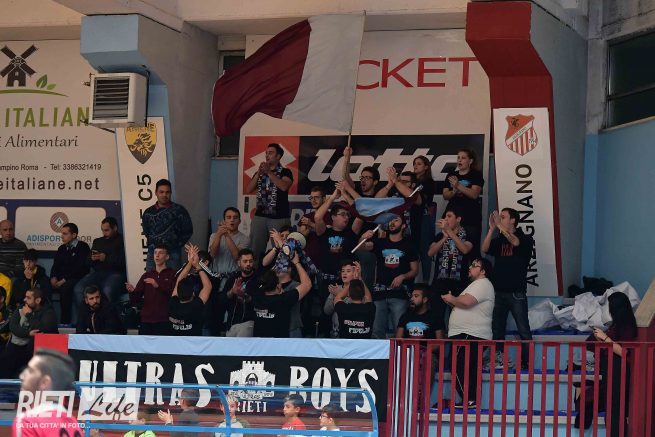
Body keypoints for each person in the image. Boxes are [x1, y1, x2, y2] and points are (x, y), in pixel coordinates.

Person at [482, 208, 534, 370]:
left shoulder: (525, 238)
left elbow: (516, 242)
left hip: (516, 292)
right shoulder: (499, 239)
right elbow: (485, 249)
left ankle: (527, 363)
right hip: (498, 291)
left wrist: (499, 226)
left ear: (513, 220)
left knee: (523, 329)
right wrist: (491, 229)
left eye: (503, 217)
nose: (499, 219)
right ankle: (499, 359)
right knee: (497, 329)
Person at [442, 258, 494, 409]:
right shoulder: (477, 284)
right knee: (468, 368)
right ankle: (471, 399)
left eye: (474, 265)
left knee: (457, 364)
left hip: (469, 333)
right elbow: (464, 303)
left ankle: (468, 399)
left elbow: (466, 302)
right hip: (469, 333)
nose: (470, 267)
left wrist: (452, 298)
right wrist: (453, 301)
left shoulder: (482, 283)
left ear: (483, 271)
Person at [584, 292, 637, 437]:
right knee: (610, 409)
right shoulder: (616, 325)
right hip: (611, 372)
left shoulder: (627, 326)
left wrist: (605, 338)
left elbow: (624, 352)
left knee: (615, 410)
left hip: (618, 373)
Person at [360, 216, 419, 339]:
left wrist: (402, 276)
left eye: (396, 220)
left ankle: (399, 353)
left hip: (399, 294)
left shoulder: (409, 245)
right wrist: (363, 237)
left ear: (403, 226)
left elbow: (415, 270)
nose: (392, 223)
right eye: (391, 220)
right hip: (380, 293)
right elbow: (360, 248)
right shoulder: (380, 242)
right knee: (376, 332)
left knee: (400, 332)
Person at [12, 348, 81, 437]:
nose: (21, 376)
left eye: (30, 371)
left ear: (44, 382)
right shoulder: (74, 424)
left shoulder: (27, 422)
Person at [246, 143, 293, 265]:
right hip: (260, 216)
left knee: (280, 248)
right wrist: (259, 173)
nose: (267, 155)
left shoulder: (286, 172)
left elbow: (284, 186)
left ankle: (281, 273)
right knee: (255, 249)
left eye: (271, 153)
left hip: (279, 217)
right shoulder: (261, 172)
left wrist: (269, 173)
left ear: (278, 156)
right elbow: (249, 189)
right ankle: (255, 272)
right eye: (266, 153)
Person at [74, 217, 127, 320]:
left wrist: (106, 258)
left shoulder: (123, 241)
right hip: (98, 273)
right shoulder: (98, 241)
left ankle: (109, 321)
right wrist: (92, 258)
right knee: (78, 288)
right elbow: (87, 262)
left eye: (107, 230)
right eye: (102, 230)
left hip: (116, 274)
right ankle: (86, 319)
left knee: (107, 290)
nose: (104, 233)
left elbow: (123, 263)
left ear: (115, 228)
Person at [428, 208, 473, 327]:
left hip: (459, 283)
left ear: (458, 219)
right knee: (437, 319)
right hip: (440, 282)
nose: (446, 219)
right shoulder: (440, 235)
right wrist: (444, 237)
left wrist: (449, 232)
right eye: (445, 217)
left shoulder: (468, 235)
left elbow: (464, 249)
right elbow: (430, 253)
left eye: (449, 216)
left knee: (458, 318)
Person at [0, 288, 58, 378]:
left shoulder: (48, 312)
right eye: (25, 297)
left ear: (38, 300)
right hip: (19, 347)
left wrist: (29, 315)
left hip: (39, 350)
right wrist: (28, 333)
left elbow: (42, 329)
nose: (24, 300)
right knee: (6, 357)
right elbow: (13, 326)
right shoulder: (22, 308)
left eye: (28, 298)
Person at [252, 251, 312, 338]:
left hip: (261, 344)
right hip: (281, 343)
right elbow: (307, 284)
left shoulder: (257, 297)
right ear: (278, 286)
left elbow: (264, 272)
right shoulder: (283, 300)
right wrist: (297, 263)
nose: (278, 268)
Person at [142, 179, 193, 271]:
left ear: (171, 193)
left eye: (167, 192)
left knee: (173, 278)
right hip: (153, 252)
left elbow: (188, 230)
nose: (164, 195)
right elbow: (146, 231)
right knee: (150, 277)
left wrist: (176, 244)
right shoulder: (148, 212)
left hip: (172, 253)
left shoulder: (179, 211)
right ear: (156, 193)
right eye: (161, 192)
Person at [126, 244, 176, 335]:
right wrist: (132, 292)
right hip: (146, 321)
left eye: (161, 253)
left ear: (167, 257)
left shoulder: (172, 274)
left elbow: (174, 296)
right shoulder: (147, 275)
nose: (157, 255)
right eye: (155, 253)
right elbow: (135, 300)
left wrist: (158, 286)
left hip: (164, 320)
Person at [442, 148, 484, 254]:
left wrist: (458, 185)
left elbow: (474, 194)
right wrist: (453, 191)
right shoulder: (451, 175)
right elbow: (445, 195)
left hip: (470, 216)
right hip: (453, 215)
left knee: (471, 248)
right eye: (458, 157)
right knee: (450, 248)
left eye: (463, 158)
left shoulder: (476, 174)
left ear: (470, 161)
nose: (459, 160)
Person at [50, 223, 90, 325]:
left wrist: (63, 280)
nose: (62, 236)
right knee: (45, 285)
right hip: (60, 279)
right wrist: (53, 277)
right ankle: (47, 320)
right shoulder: (61, 248)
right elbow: (55, 265)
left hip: (76, 278)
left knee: (66, 288)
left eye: (65, 234)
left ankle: (65, 322)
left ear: (74, 235)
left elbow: (81, 269)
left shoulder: (83, 247)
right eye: (61, 233)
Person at [168, 245, 212, 336]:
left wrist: (190, 263)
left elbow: (179, 281)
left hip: (176, 344)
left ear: (178, 294)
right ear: (193, 293)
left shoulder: (172, 304)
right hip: (194, 344)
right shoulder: (195, 306)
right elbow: (208, 286)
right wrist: (197, 265)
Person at [219, 249, 257, 337]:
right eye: (245, 261)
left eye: (250, 261)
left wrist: (244, 296)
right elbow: (221, 299)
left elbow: (261, 301)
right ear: (239, 263)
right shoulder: (233, 279)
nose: (248, 264)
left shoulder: (258, 279)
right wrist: (232, 291)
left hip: (248, 323)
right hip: (231, 324)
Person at [412, 156, 437, 281]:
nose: (415, 166)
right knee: (412, 252)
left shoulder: (428, 182)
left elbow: (420, 201)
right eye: (414, 163)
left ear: (426, 166)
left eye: (419, 163)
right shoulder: (411, 180)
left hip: (424, 220)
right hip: (411, 220)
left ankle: (426, 284)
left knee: (425, 252)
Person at [208, 207, 249, 276]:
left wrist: (226, 235)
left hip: (234, 276)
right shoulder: (214, 236)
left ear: (239, 221)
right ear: (224, 221)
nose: (232, 220)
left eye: (235, 217)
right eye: (229, 217)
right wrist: (218, 235)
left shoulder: (245, 239)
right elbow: (212, 254)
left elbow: (237, 257)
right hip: (215, 275)